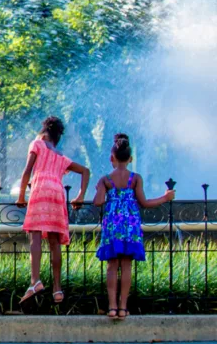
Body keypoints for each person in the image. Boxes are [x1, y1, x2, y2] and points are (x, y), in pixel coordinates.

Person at [92, 133, 174, 320]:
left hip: (112, 224)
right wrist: (165, 197)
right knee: (127, 265)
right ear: (130, 158)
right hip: (129, 224)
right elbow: (144, 202)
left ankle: (111, 307)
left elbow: (98, 202)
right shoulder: (135, 178)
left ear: (112, 157)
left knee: (112, 266)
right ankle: (123, 308)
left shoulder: (106, 179)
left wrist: (99, 188)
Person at [16, 116, 90, 306]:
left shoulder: (37, 144)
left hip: (40, 190)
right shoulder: (60, 156)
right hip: (57, 194)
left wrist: (21, 195)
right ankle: (57, 289)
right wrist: (80, 196)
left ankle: (35, 282)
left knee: (35, 236)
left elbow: (27, 171)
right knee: (55, 242)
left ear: (43, 133)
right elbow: (85, 171)